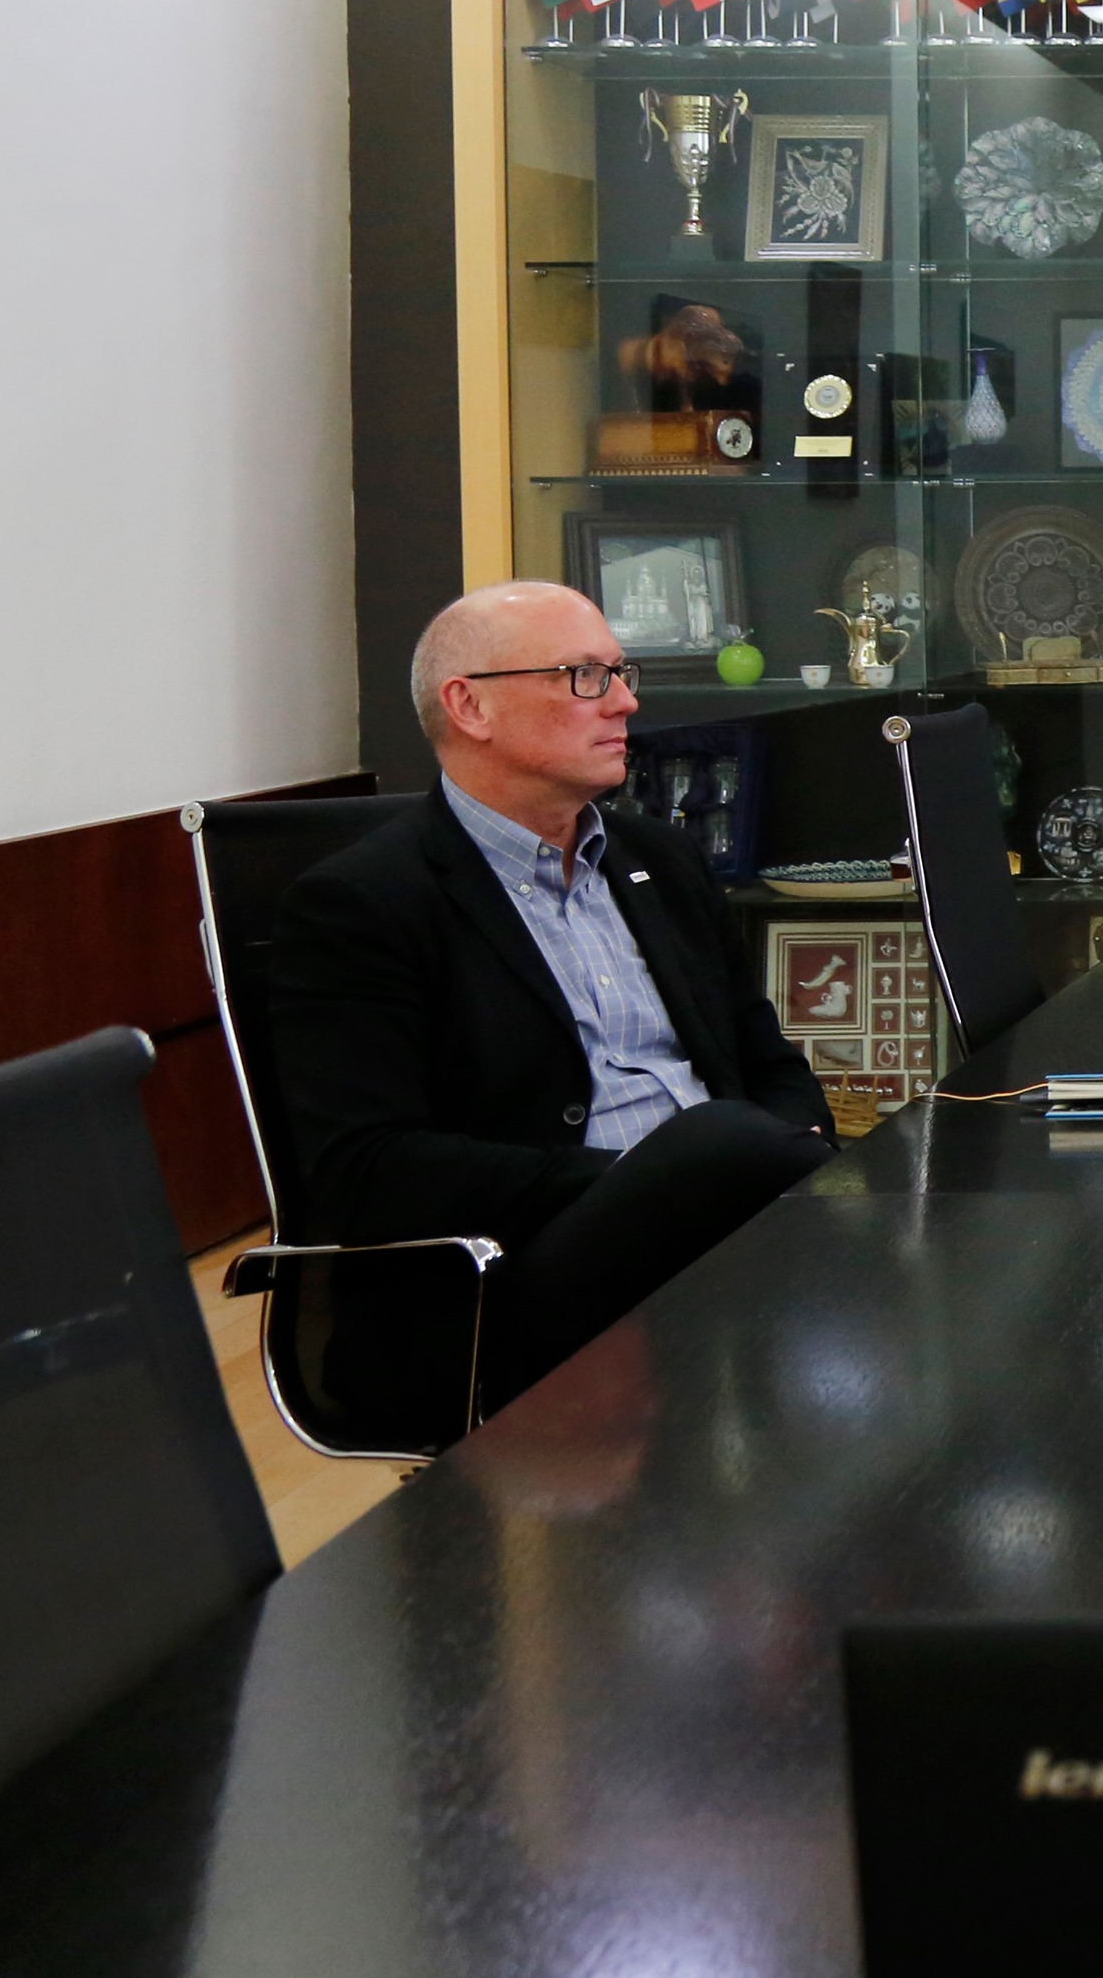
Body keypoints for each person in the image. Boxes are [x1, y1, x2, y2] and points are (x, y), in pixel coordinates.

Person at [277, 581, 831, 1422]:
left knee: (748, 1154)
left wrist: (757, 1160)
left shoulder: (662, 858)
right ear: (470, 706)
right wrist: (646, 1181)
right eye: (584, 676)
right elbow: (366, 1168)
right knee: (726, 1142)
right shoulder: (363, 903)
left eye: (621, 672)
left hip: (729, 1224)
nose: (625, 701)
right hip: (511, 1276)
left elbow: (768, 1061)